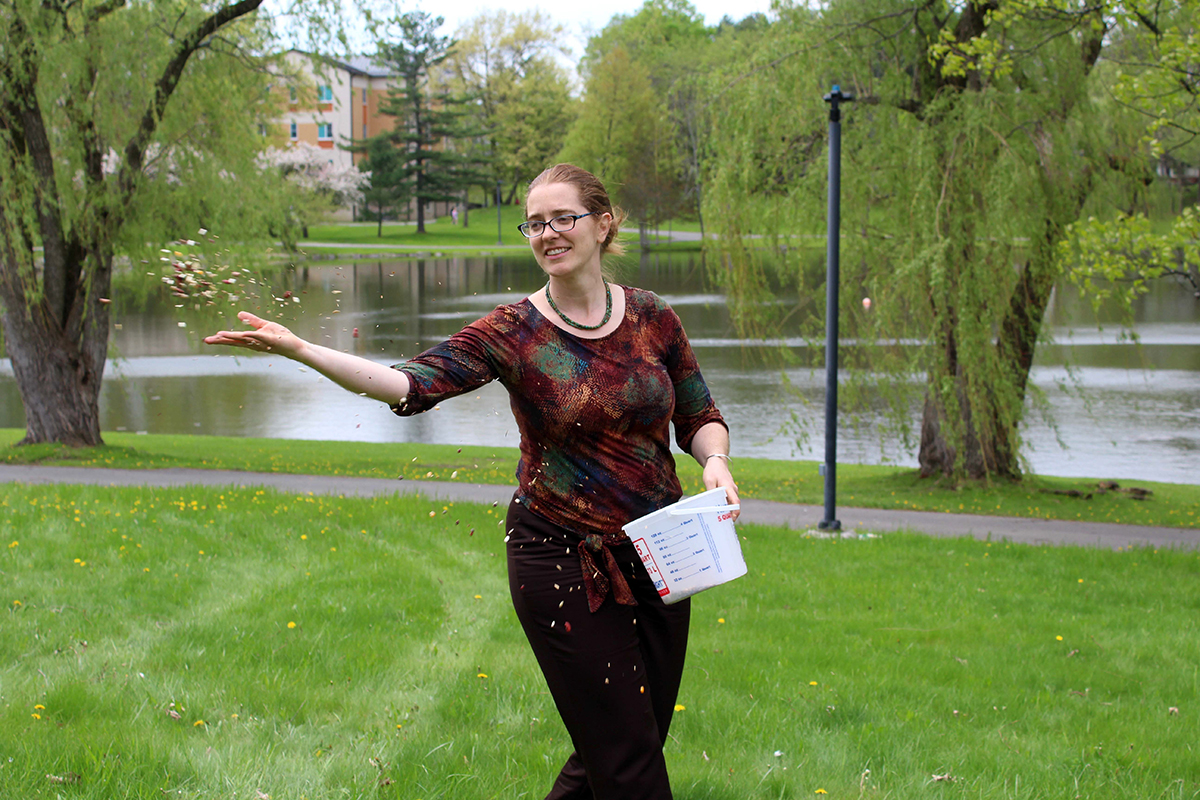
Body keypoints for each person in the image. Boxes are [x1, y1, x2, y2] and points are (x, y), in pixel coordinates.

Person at [204, 163, 738, 800]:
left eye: (562, 218)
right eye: (535, 223)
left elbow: (698, 412)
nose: (547, 233)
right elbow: (409, 383)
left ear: (602, 224)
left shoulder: (653, 316)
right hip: (560, 560)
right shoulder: (514, 332)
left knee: (631, 740)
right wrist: (302, 350)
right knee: (629, 764)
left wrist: (715, 460)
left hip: (662, 550)